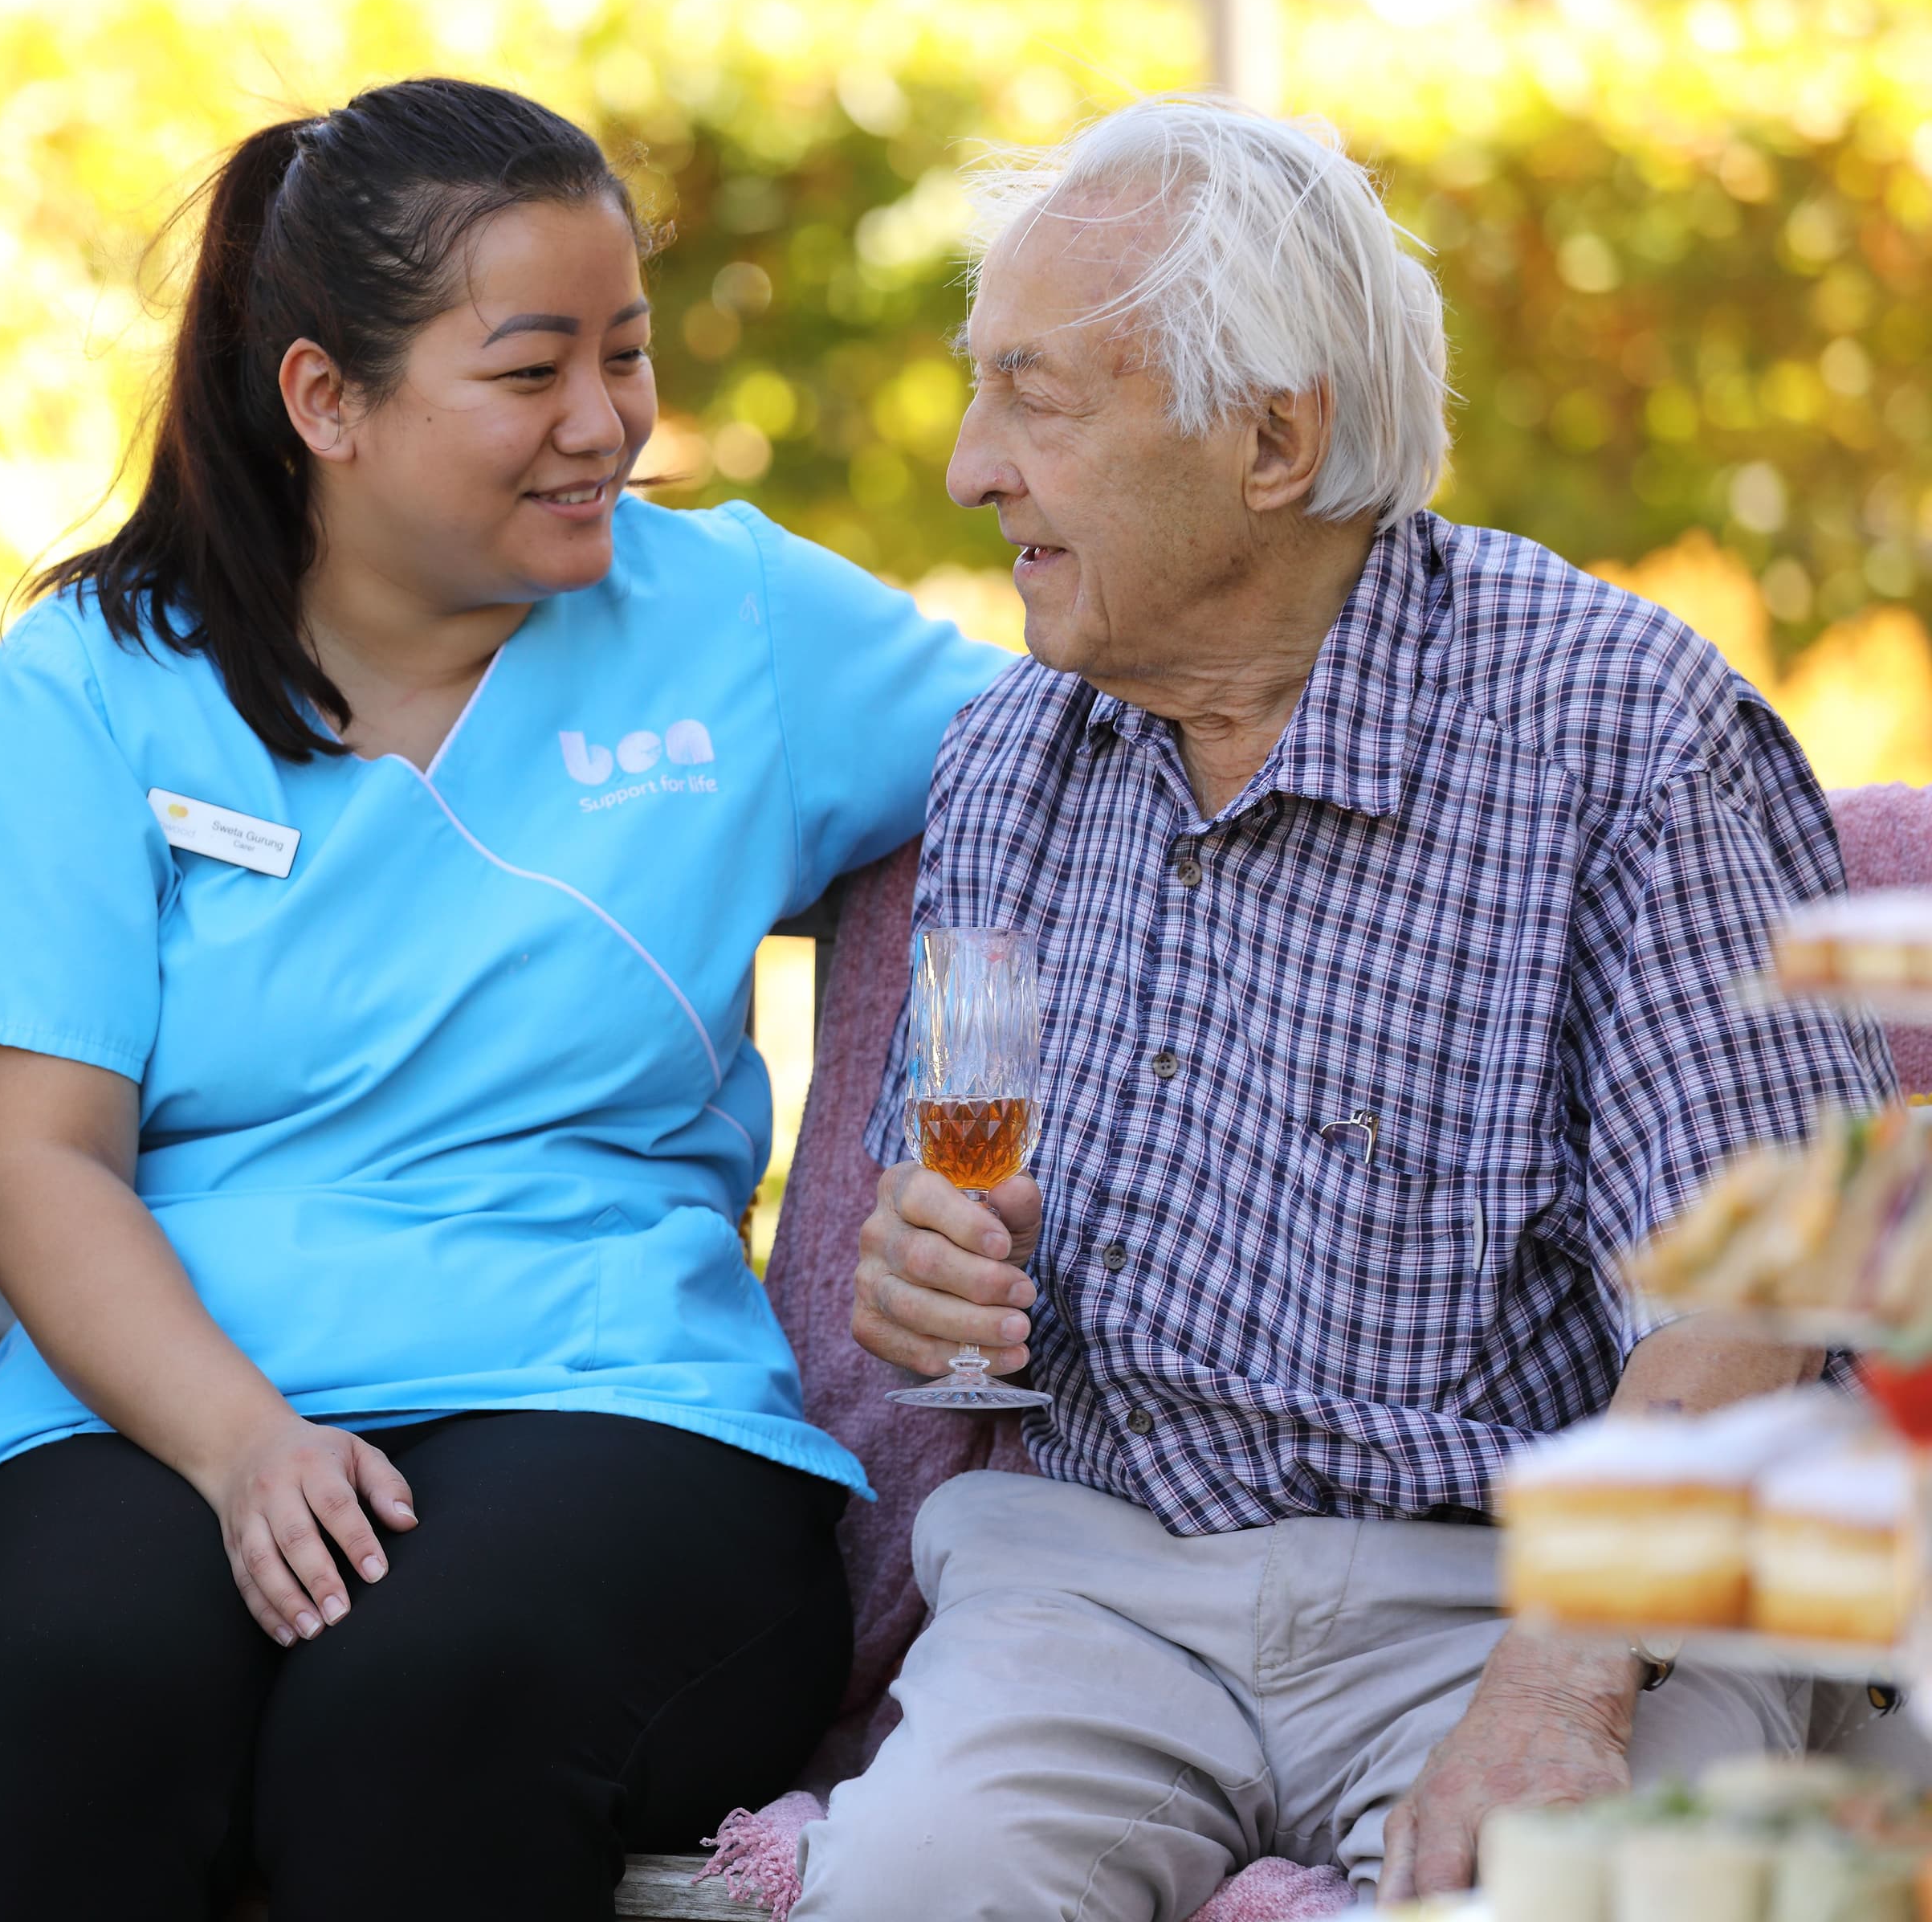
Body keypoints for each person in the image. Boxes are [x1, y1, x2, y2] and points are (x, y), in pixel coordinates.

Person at [0, 77, 1011, 1921]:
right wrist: (244, 1443)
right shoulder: (91, 685)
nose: (605, 424)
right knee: (66, 1701)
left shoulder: (737, 624)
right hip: (150, 1405)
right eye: (530, 369)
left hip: (616, 1400)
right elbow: (43, 1165)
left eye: (627, 354)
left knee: (427, 1706)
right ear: (326, 398)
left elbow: (1109, 743)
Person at [801, 96, 1897, 1919]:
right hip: (1098, 1577)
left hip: (1528, 1590)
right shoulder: (1013, 750)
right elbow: (948, 1230)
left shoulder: (1624, 731)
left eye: (1036, 395)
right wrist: (920, 1271)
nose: (970, 466)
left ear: (1274, 438)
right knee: (910, 1888)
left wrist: (1558, 1682)